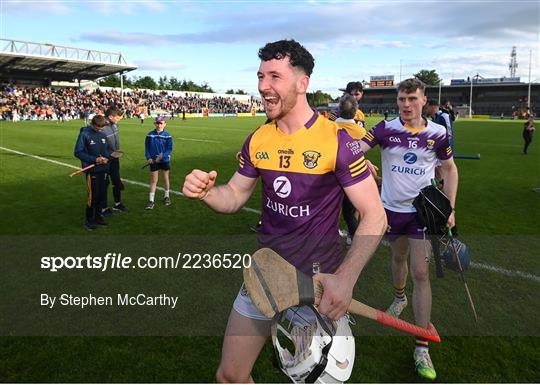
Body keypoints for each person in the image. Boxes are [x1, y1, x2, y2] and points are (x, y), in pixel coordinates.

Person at [182, 39, 386, 383]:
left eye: (274, 76)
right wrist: (207, 193)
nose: (263, 86)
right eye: (261, 76)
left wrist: (346, 278)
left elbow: (375, 216)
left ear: (302, 83)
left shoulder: (335, 140)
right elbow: (233, 196)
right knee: (230, 376)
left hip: (317, 284)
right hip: (267, 274)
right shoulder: (258, 139)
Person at [360, 78, 458, 380]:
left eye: (412, 99)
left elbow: (451, 169)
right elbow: (352, 152)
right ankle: (399, 297)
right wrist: (365, 165)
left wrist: (450, 207)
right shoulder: (384, 128)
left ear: (424, 100)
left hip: (421, 214)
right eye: (402, 99)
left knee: (421, 271)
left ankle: (421, 344)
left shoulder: (438, 133)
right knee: (398, 259)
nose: (406, 105)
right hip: (389, 210)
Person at [334, 94, 367, 245]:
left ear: (338, 110)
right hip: (353, 176)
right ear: (355, 112)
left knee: (330, 212)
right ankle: (355, 241)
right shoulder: (361, 133)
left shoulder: (330, 127)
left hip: (331, 177)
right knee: (349, 213)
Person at [74, 115, 111, 230]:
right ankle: (89, 220)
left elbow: (106, 151)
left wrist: (107, 157)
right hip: (92, 170)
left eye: (102, 128)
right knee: (93, 196)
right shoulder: (84, 134)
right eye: (98, 128)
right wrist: (95, 159)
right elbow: (78, 152)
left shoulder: (103, 134)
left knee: (102, 195)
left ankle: (98, 217)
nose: (100, 130)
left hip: (104, 169)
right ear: (92, 124)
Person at [101, 106, 128, 215]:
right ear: (110, 117)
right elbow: (99, 146)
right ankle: (103, 208)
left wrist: (117, 151)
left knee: (116, 181)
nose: (119, 119)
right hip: (105, 160)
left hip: (115, 159)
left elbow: (115, 142)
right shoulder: (101, 127)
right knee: (105, 183)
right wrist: (108, 155)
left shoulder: (115, 124)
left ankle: (117, 204)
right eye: (117, 117)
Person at [145, 116, 173, 209]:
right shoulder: (150, 135)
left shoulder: (167, 136)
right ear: (155, 123)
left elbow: (169, 149)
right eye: (157, 123)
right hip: (153, 160)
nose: (159, 125)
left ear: (165, 124)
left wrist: (162, 156)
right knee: (154, 180)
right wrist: (148, 158)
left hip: (164, 160)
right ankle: (151, 200)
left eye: (161, 123)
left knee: (165, 178)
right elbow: (147, 148)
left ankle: (166, 196)